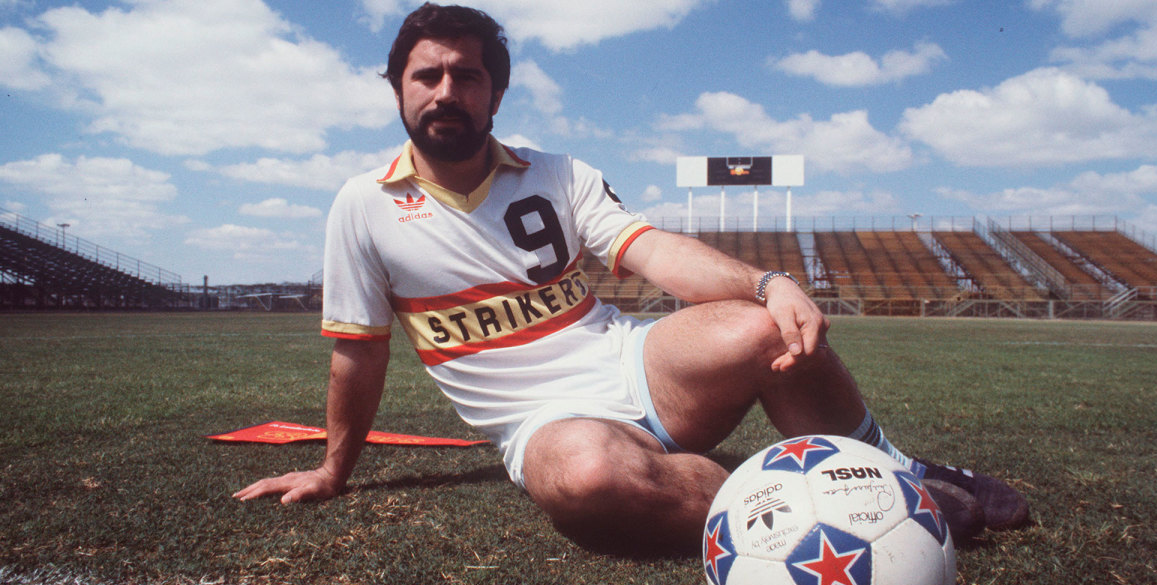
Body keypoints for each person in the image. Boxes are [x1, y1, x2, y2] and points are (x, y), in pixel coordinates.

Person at [234, 2, 1028, 554]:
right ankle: (835, 506)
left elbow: (651, 252)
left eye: (467, 77)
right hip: (542, 425)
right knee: (586, 478)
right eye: (427, 75)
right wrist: (335, 470)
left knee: (763, 328)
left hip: (637, 368)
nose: (447, 92)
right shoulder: (361, 207)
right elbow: (359, 354)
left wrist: (767, 285)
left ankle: (896, 472)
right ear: (399, 89)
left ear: (496, 93)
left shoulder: (558, 173)